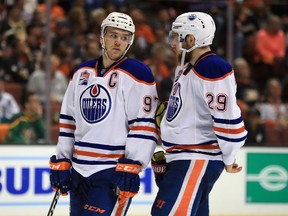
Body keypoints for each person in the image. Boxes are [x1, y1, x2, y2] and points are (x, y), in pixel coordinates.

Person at [49, 12, 159, 216]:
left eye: (124, 37)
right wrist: (63, 159)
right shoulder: (82, 72)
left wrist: (134, 165)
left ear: (130, 41)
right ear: (102, 37)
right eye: (113, 35)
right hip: (80, 171)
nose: (118, 41)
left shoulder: (138, 73)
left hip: (111, 171)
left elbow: (144, 124)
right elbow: (68, 120)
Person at [151, 12, 248, 216]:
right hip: (186, 159)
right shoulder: (187, 68)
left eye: (177, 36)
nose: (172, 43)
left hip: (195, 159)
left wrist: (230, 159)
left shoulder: (212, 67)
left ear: (191, 39)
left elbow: (228, 121)